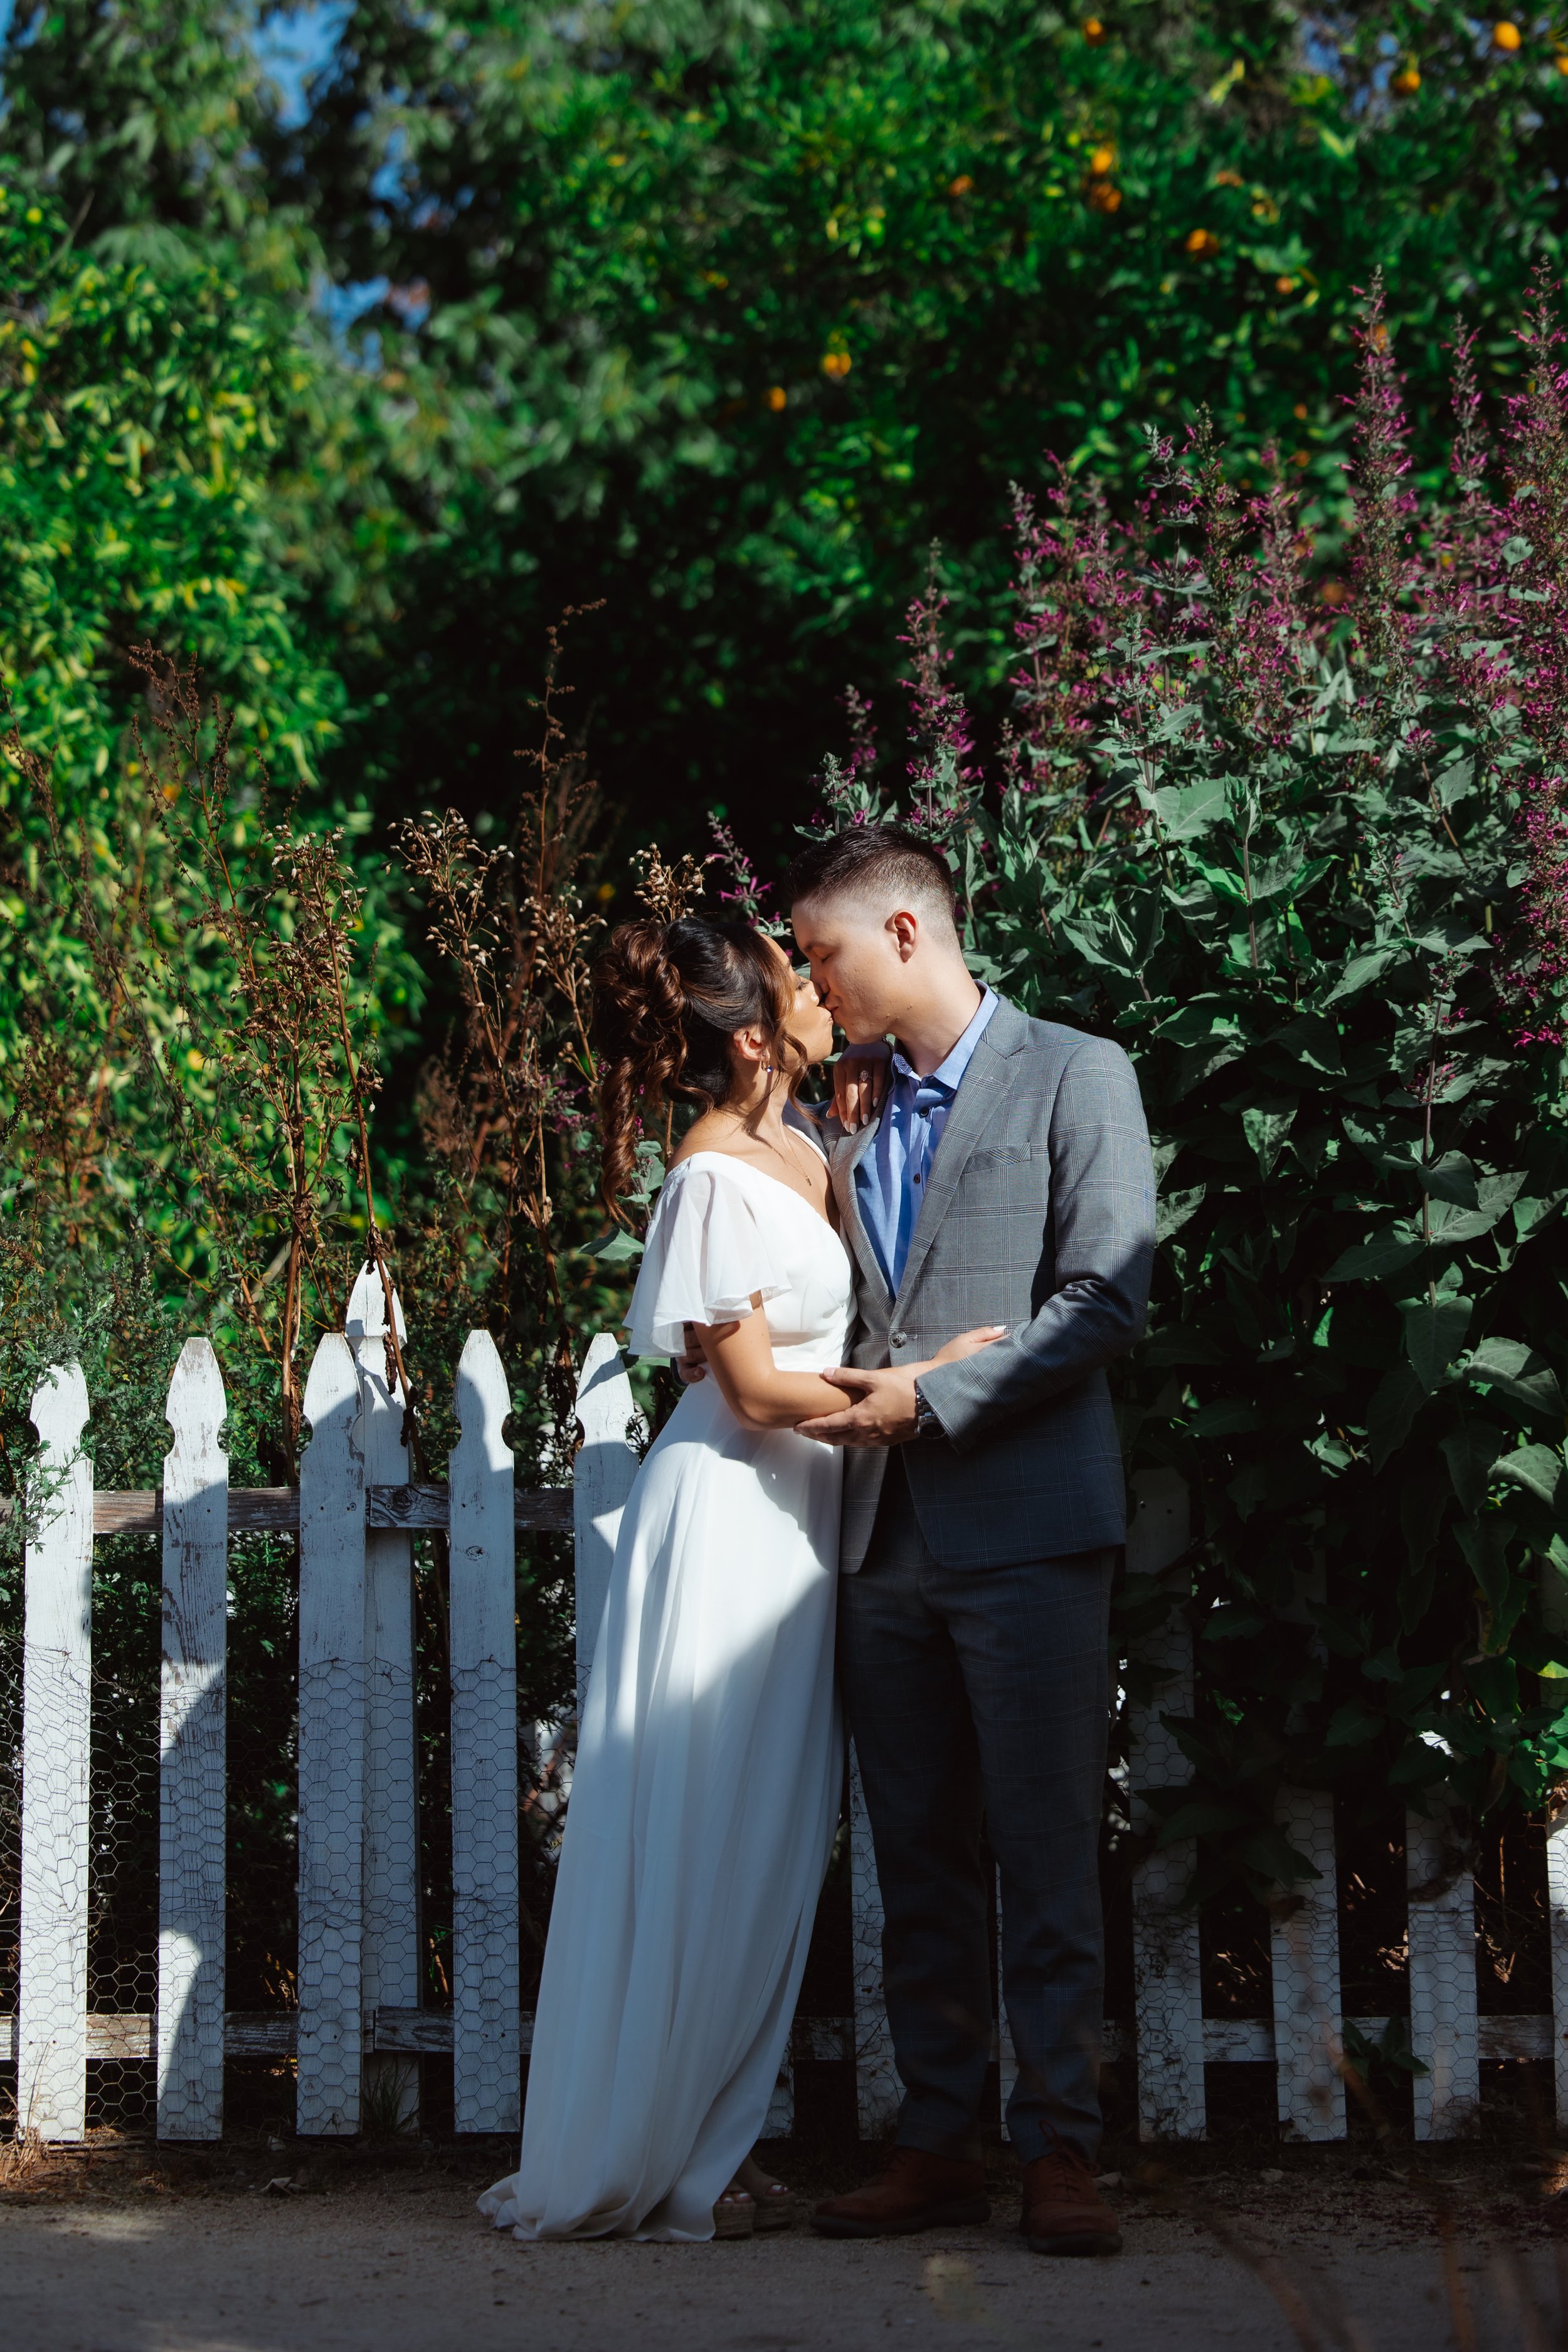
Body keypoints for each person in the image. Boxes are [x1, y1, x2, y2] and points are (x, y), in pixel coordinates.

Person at [479, 911, 1003, 2243]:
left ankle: (706, 2144)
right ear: (757, 1032)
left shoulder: (792, 1140)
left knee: (765, 1852)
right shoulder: (708, 1175)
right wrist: (935, 1383)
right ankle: (646, 2154)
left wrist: (842, 1120)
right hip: (725, 1526)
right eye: (796, 980)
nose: (824, 989)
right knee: (705, 1837)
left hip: (792, 1536)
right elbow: (758, 1391)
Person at [786, 822, 1155, 2259]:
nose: (810, 986)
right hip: (878, 1550)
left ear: (899, 934)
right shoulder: (846, 1103)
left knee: (1047, 1847)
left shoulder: (1077, 1072)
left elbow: (1105, 1298)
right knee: (915, 1859)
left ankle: (1060, 2149)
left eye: (819, 954)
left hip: (1026, 1530)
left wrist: (929, 1397)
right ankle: (936, 2140)